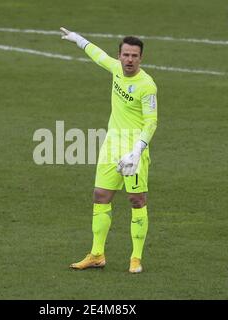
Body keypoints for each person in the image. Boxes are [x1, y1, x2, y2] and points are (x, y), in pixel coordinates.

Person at [60, 27, 158, 273]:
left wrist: (137, 151)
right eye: (125, 55)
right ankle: (96, 254)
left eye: (134, 56)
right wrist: (78, 40)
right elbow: (98, 56)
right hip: (111, 145)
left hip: (134, 148)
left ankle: (136, 258)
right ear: (120, 55)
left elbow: (151, 122)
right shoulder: (115, 68)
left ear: (141, 58)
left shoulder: (147, 86)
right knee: (100, 195)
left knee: (137, 199)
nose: (129, 60)